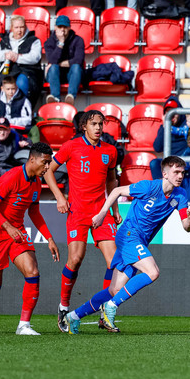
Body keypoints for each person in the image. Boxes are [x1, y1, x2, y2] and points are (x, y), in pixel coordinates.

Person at [64, 156, 190, 334]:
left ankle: (73, 316)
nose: (180, 176)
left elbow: (187, 227)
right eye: (176, 172)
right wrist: (103, 213)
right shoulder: (149, 187)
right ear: (165, 174)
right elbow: (117, 190)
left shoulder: (180, 194)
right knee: (152, 272)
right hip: (129, 235)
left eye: (182, 172)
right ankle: (110, 307)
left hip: (138, 241)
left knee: (114, 290)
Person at [0, 142, 60, 335]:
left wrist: (49, 238)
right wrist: (7, 226)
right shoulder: (12, 176)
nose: (48, 167)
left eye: (49, 163)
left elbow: (34, 213)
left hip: (17, 232)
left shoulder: (36, 183)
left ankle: (23, 325)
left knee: (33, 272)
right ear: (32, 159)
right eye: (45, 162)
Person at [43, 110, 120, 332]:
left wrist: (114, 209)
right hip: (77, 212)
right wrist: (60, 197)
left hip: (101, 212)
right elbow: (48, 172)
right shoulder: (71, 146)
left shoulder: (110, 151)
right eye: (94, 124)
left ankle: (106, 310)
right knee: (75, 260)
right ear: (84, 126)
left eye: (101, 124)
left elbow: (112, 181)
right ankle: (63, 307)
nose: (98, 128)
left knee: (114, 262)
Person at [0, 15, 43, 105]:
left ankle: (22, 109)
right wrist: (6, 54)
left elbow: (35, 57)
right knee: (1, 84)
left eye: (22, 27)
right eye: (16, 27)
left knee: (21, 82)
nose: (19, 30)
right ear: (11, 28)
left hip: (28, 71)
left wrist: (17, 57)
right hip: (9, 70)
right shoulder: (4, 40)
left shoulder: (34, 40)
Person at [44, 15, 85, 105]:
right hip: (55, 75)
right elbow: (52, 59)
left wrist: (58, 63)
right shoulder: (49, 42)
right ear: (55, 28)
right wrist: (60, 43)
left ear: (69, 27)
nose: (62, 30)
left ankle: (71, 97)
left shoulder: (78, 40)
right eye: (60, 27)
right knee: (53, 67)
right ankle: (55, 97)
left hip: (73, 75)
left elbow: (78, 60)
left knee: (76, 67)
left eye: (65, 27)